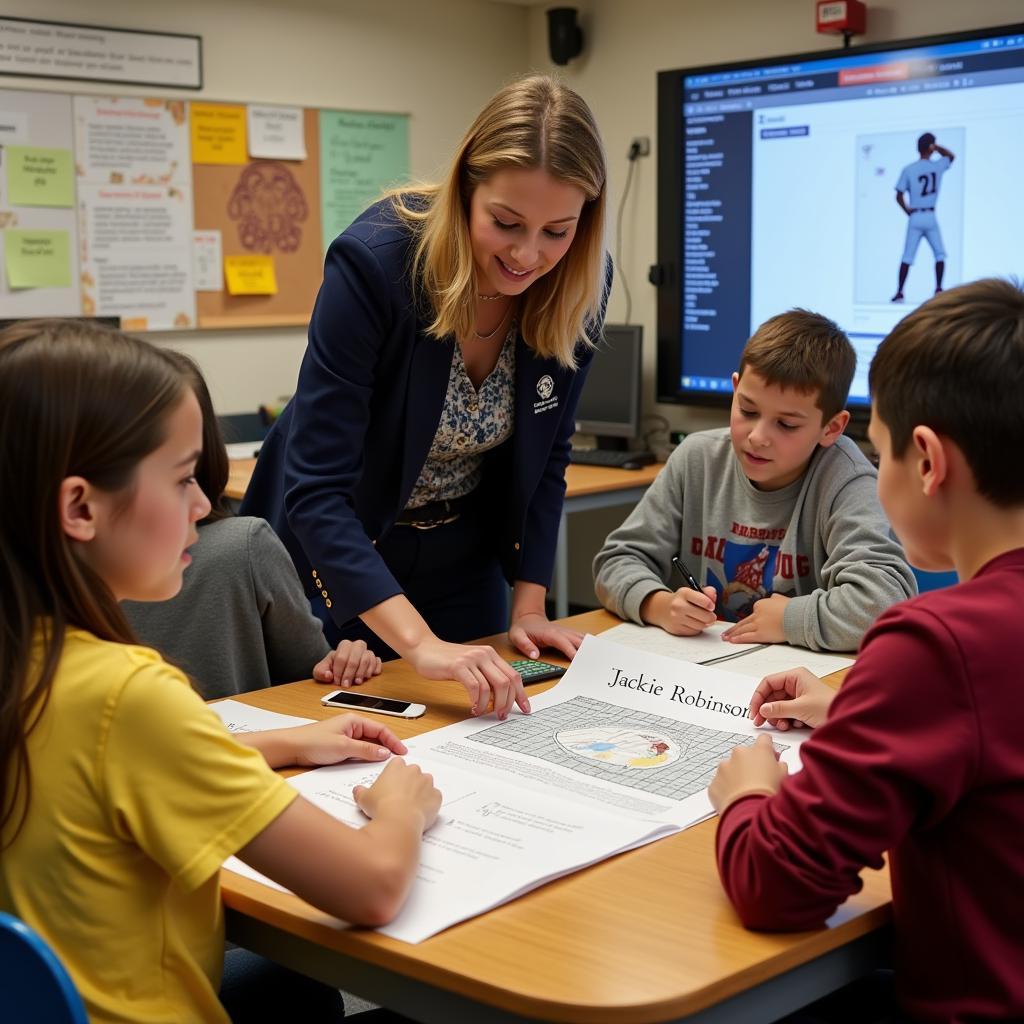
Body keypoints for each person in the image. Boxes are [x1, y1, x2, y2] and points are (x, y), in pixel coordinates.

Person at [0, 320, 442, 1024]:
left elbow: (91, 764)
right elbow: (372, 887)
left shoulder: (32, 664)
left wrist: (285, 743)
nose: (205, 506)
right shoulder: (130, 696)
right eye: (182, 481)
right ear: (80, 507)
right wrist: (402, 809)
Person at [241, 75, 610, 721]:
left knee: (479, 723)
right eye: (506, 222)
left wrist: (528, 604)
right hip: (342, 547)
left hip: (461, 547)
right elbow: (317, 490)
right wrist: (420, 646)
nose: (528, 254)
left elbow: (547, 459)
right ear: (467, 188)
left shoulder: (579, 279)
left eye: (558, 230)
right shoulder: (376, 265)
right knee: (339, 731)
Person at [709, 279, 1024, 1021]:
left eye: (875, 453)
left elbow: (776, 885)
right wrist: (857, 704)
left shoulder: (933, 646)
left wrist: (748, 792)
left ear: (927, 460)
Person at [593, 310, 915, 652]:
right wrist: (657, 604)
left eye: (787, 425)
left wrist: (789, 619)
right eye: (747, 410)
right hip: (701, 672)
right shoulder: (696, 458)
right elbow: (616, 561)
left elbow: (883, 603)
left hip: (794, 680)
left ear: (831, 428)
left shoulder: (846, 479)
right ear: (734, 389)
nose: (758, 437)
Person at [123, 350, 383, 699]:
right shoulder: (242, 546)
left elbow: (318, 673)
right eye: (179, 477)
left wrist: (340, 665)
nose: (198, 503)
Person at [891, 132, 955, 303]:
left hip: (916, 215)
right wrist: (936, 147)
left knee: (907, 256)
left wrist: (907, 211)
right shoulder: (937, 166)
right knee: (939, 254)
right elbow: (951, 156)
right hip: (930, 214)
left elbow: (898, 194)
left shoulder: (909, 169)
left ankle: (899, 292)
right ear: (930, 147)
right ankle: (939, 289)